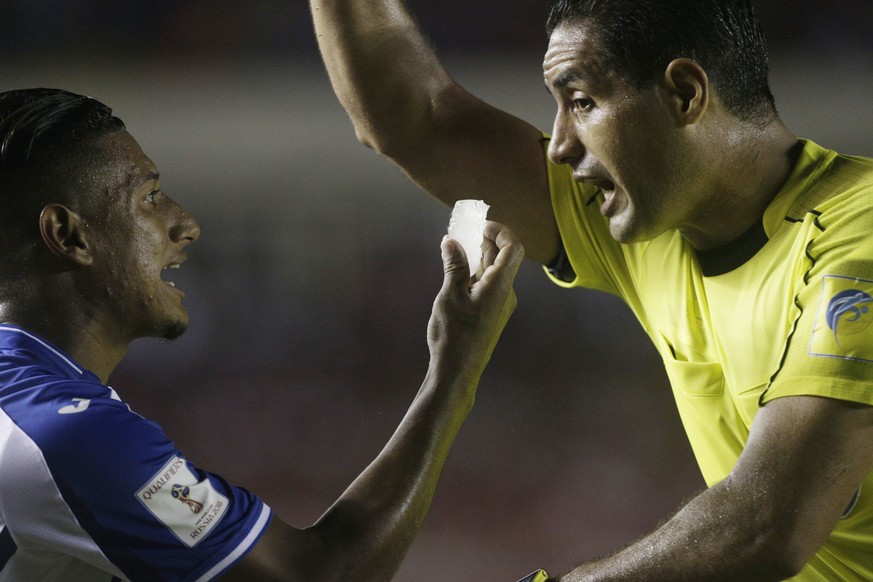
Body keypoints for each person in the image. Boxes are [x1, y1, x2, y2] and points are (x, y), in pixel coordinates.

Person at [307, 0, 873, 579]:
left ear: (684, 94)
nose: (559, 144)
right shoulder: (651, 222)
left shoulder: (860, 237)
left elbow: (768, 524)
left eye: (581, 103)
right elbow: (418, 119)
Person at [0, 87, 524, 581]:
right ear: (68, 235)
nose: (185, 224)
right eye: (151, 196)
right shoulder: (68, 436)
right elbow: (319, 575)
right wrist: (456, 365)